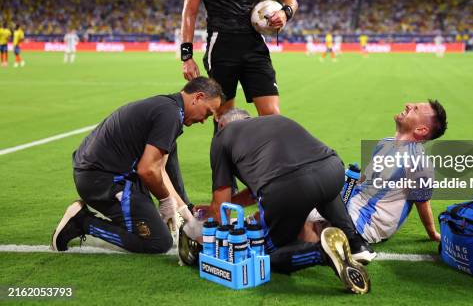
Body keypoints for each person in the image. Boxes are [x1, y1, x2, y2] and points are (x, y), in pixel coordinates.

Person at [192, 109, 373, 294]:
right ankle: (355, 241)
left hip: (288, 188)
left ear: (222, 125)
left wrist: (209, 238)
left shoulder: (223, 136)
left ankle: (321, 253)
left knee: (267, 254)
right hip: (332, 170)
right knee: (321, 187)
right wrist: (224, 205)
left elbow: (222, 205)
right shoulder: (275, 120)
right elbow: (258, 189)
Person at [51, 77, 224, 254]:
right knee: (158, 242)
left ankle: (155, 214)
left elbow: (161, 170)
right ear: (198, 97)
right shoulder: (170, 115)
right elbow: (147, 170)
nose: (204, 120)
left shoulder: (168, 108)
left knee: (170, 148)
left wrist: (186, 214)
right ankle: (82, 222)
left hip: (102, 172)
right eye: (208, 113)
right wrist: (165, 201)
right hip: (101, 180)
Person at [302, 100, 447, 245]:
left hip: (367, 221)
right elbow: (366, 178)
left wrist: (432, 233)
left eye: (415, 109)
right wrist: (346, 178)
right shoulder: (386, 143)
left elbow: (422, 203)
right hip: (350, 201)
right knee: (294, 202)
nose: (408, 105)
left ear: (421, 130)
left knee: (303, 232)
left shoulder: (418, 163)